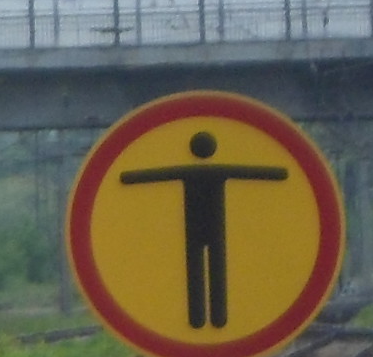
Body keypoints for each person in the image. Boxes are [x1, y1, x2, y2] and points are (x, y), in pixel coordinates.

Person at [117, 130, 288, 331]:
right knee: (217, 272)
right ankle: (219, 318)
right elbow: (256, 172)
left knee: (195, 273)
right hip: (216, 228)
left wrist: (126, 177)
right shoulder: (220, 170)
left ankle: (197, 320)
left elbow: (151, 175)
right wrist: (281, 174)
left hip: (193, 228)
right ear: (212, 149)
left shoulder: (186, 171)